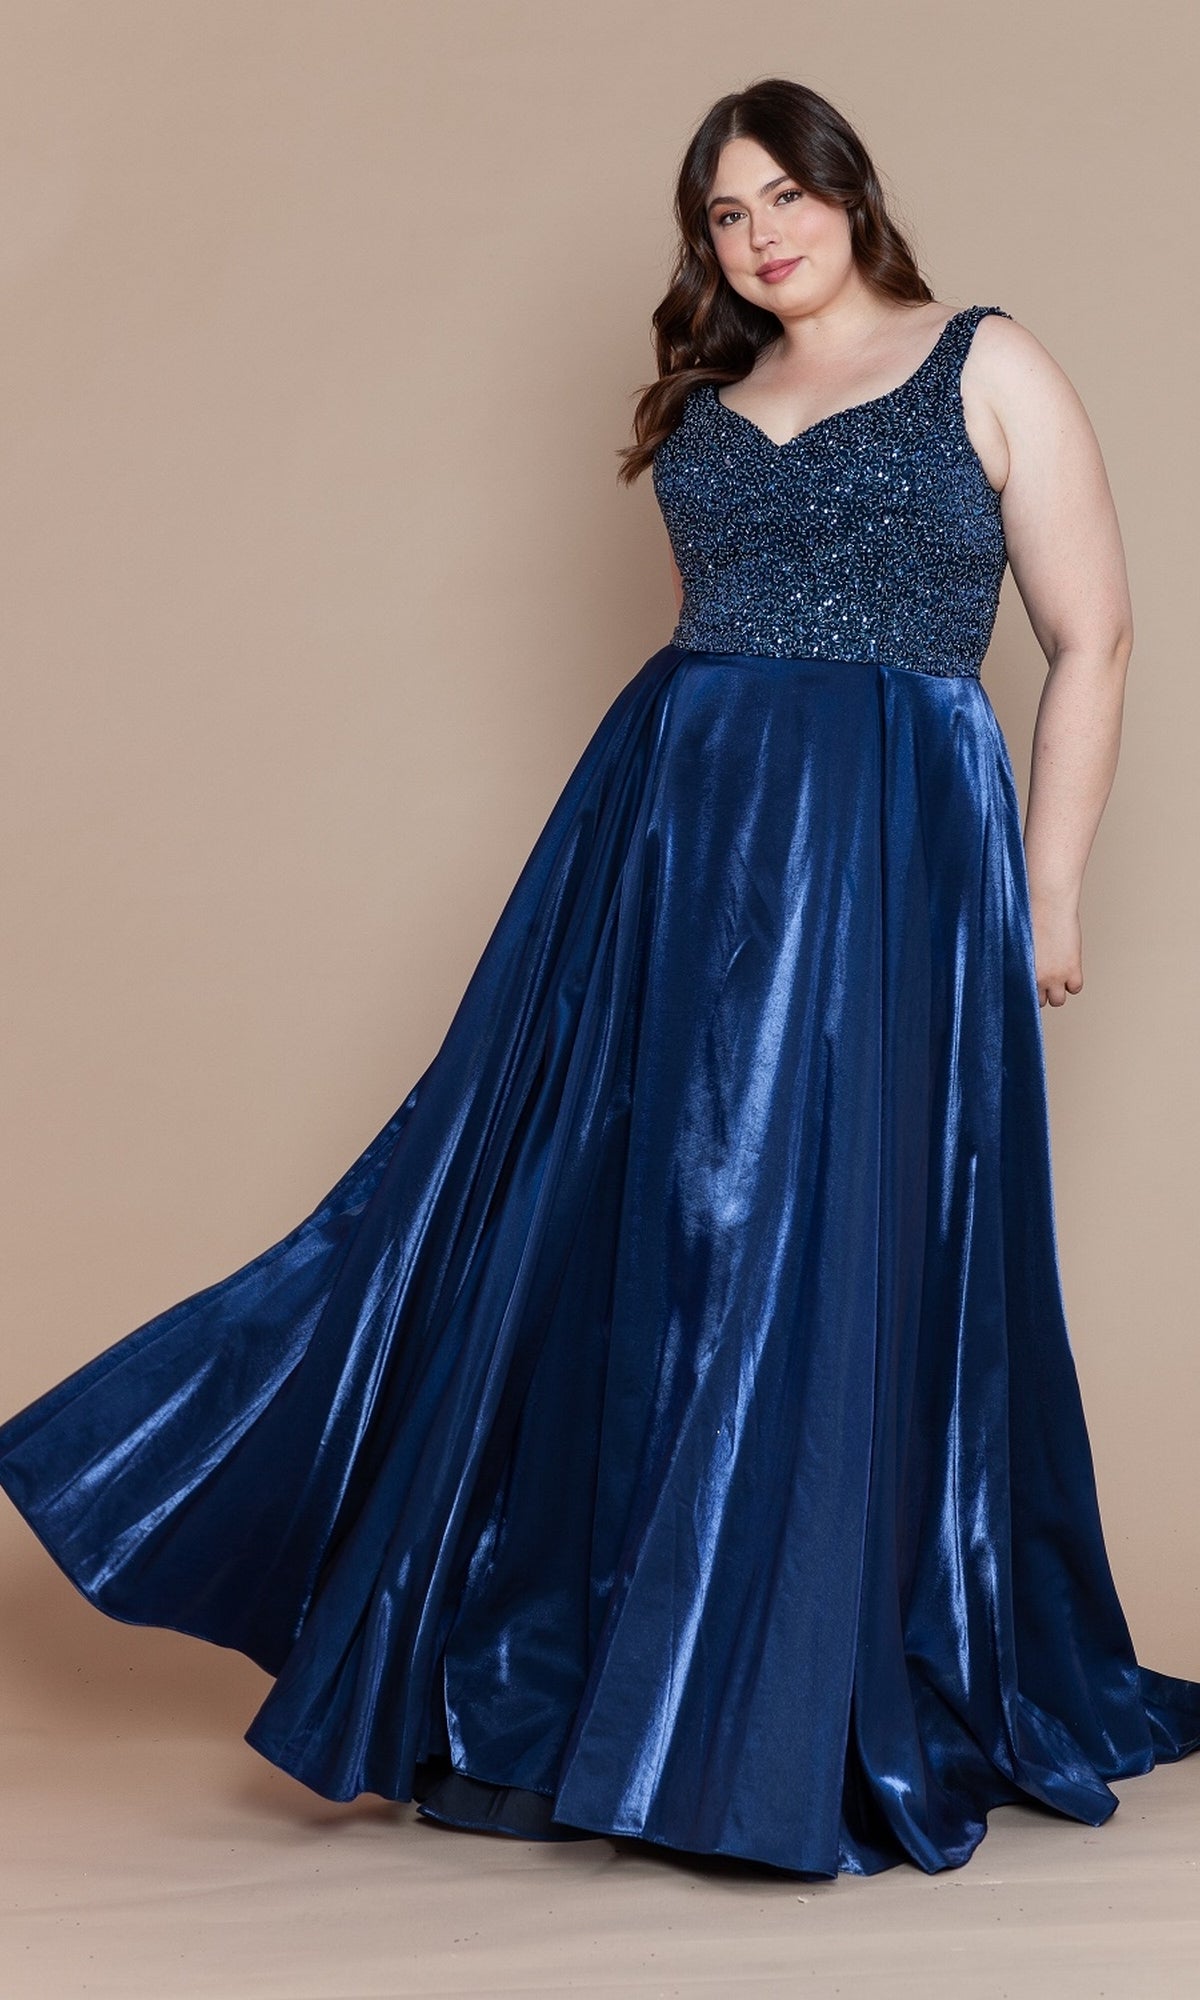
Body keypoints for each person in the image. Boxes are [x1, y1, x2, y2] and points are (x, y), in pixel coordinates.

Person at [0, 76, 1197, 1882]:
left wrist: (1050, 893)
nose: (762, 234)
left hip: (892, 856)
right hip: (672, 847)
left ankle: (785, 1701)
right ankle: (626, 1684)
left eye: (787, 194)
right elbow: (704, 647)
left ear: (853, 194)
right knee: (613, 1230)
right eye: (726, 215)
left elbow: (1093, 633)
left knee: (834, 1244)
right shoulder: (714, 405)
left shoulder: (988, 360)